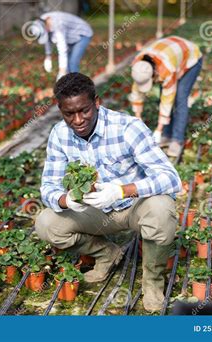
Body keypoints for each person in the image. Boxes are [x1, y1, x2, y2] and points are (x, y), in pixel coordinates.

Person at [35, 73, 181, 312]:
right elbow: (48, 186)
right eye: (68, 113)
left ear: (97, 102)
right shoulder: (59, 134)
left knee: (161, 210)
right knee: (46, 223)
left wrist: (121, 191)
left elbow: (170, 178)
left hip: (135, 207)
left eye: (84, 110)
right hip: (95, 212)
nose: (78, 119)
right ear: (60, 110)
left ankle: (153, 282)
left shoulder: (127, 128)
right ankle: (107, 253)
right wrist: (66, 200)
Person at [129, 36, 203, 157]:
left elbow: (167, 100)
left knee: (180, 98)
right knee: (162, 97)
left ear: (153, 74)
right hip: (172, 54)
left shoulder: (166, 70)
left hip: (191, 58)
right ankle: (166, 135)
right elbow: (136, 92)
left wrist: (158, 129)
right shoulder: (139, 66)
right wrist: (138, 117)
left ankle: (177, 140)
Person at [29, 11, 93, 80]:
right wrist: (48, 56)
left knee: (72, 62)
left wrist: (61, 72)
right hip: (70, 37)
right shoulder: (42, 21)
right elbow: (47, 39)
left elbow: (62, 50)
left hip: (82, 34)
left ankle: (76, 86)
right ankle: (68, 86)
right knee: (67, 64)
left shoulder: (58, 25)